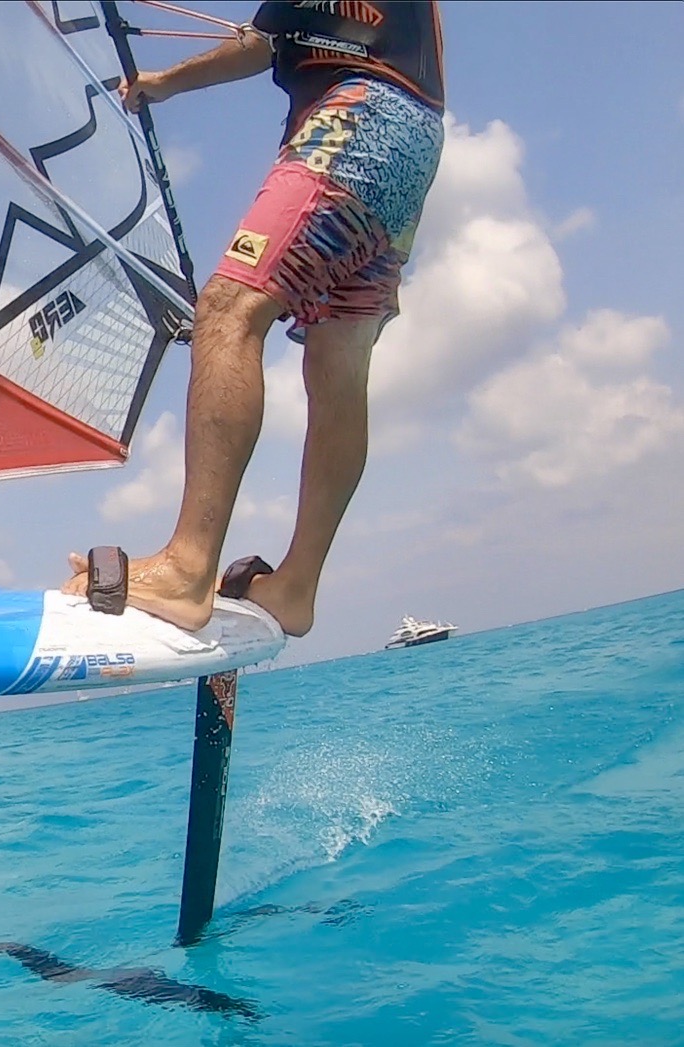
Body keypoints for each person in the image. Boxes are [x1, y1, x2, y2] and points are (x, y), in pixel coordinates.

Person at [65, 0, 445, 637]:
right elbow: (270, 37)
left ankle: (187, 569)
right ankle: (295, 586)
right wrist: (165, 82)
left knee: (228, 308)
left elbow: (259, 42)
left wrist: (161, 82)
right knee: (338, 361)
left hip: (361, 120)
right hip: (414, 140)